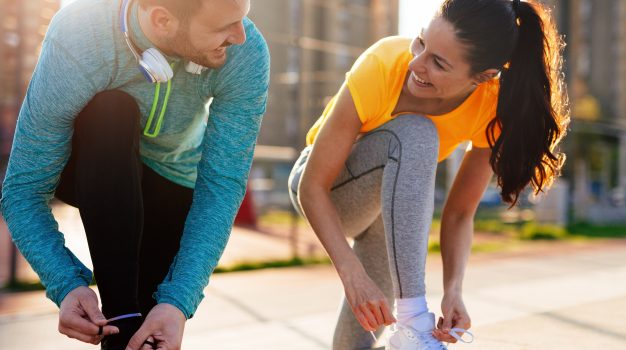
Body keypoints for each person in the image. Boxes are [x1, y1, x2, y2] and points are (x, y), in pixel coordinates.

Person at [287, 0, 568, 348]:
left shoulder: (491, 105)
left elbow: (461, 212)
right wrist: (352, 275)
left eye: (438, 62)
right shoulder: (384, 63)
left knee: (353, 344)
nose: (416, 63)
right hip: (325, 189)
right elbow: (312, 187)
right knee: (418, 132)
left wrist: (454, 291)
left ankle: (409, 331)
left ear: (483, 77)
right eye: (421, 42)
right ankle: (416, 323)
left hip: (384, 219)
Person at [0, 0, 269, 348]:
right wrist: (66, 284)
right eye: (224, 27)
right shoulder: (80, 33)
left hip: (172, 183)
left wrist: (177, 301)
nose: (241, 36)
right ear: (162, 20)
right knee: (111, 110)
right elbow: (23, 189)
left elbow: (220, 186)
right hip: (91, 165)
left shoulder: (247, 53)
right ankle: (121, 319)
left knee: (148, 330)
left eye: (242, 18)